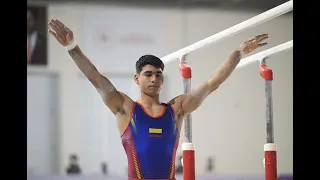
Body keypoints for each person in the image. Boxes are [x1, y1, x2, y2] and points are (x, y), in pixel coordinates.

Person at [48, 19, 268, 180]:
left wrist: (238, 53)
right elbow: (94, 77)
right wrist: (71, 46)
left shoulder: (177, 109)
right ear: (137, 78)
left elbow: (211, 84)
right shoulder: (125, 108)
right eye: (148, 74)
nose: (154, 79)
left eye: (159, 75)